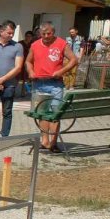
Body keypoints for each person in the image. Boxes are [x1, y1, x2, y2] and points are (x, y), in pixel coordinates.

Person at [26, 22, 77, 152]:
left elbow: (73, 59)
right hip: (39, 83)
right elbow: (28, 61)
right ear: (40, 33)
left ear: (53, 32)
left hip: (55, 84)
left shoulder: (61, 43)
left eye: (49, 33)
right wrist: (30, 71)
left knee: (55, 113)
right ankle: (45, 141)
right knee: (42, 113)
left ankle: (53, 143)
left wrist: (61, 71)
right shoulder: (35, 45)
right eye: (43, 34)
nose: (46, 36)